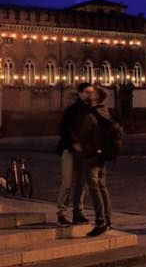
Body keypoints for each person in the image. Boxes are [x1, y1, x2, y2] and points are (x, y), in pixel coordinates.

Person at [78, 86, 121, 237]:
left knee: (94, 189)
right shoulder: (106, 112)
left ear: (96, 98)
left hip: (91, 156)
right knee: (102, 188)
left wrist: (78, 144)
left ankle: (100, 222)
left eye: (93, 93)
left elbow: (81, 136)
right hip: (103, 156)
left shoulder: (91, 115)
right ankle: (108, 221)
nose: (90, 95)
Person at [56, 83, 94, 227]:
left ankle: (78, 212)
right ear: (79, 93)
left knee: (81, 184)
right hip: (69, 150)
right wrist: (74, 143)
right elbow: (63, 130)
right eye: (86, 92)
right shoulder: (71, 110)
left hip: (84, 152)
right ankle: (61, 213)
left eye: (91, 92)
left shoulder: (92, 110)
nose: (89, 95)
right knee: (67, 182)